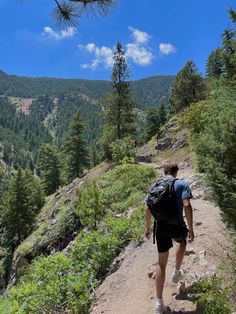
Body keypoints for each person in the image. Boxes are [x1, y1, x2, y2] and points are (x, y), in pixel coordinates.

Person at [145, 163, 194, 314]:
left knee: (161, 263)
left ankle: (159, 304)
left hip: (160, 226)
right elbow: (186, 205)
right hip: (176, 225)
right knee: (182, 242)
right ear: (176, 172)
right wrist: (191, 228)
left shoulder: (156, 185)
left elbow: (148, 207)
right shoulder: (182, 184)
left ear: (164, 172)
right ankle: (176, 272)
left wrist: (148, 227)